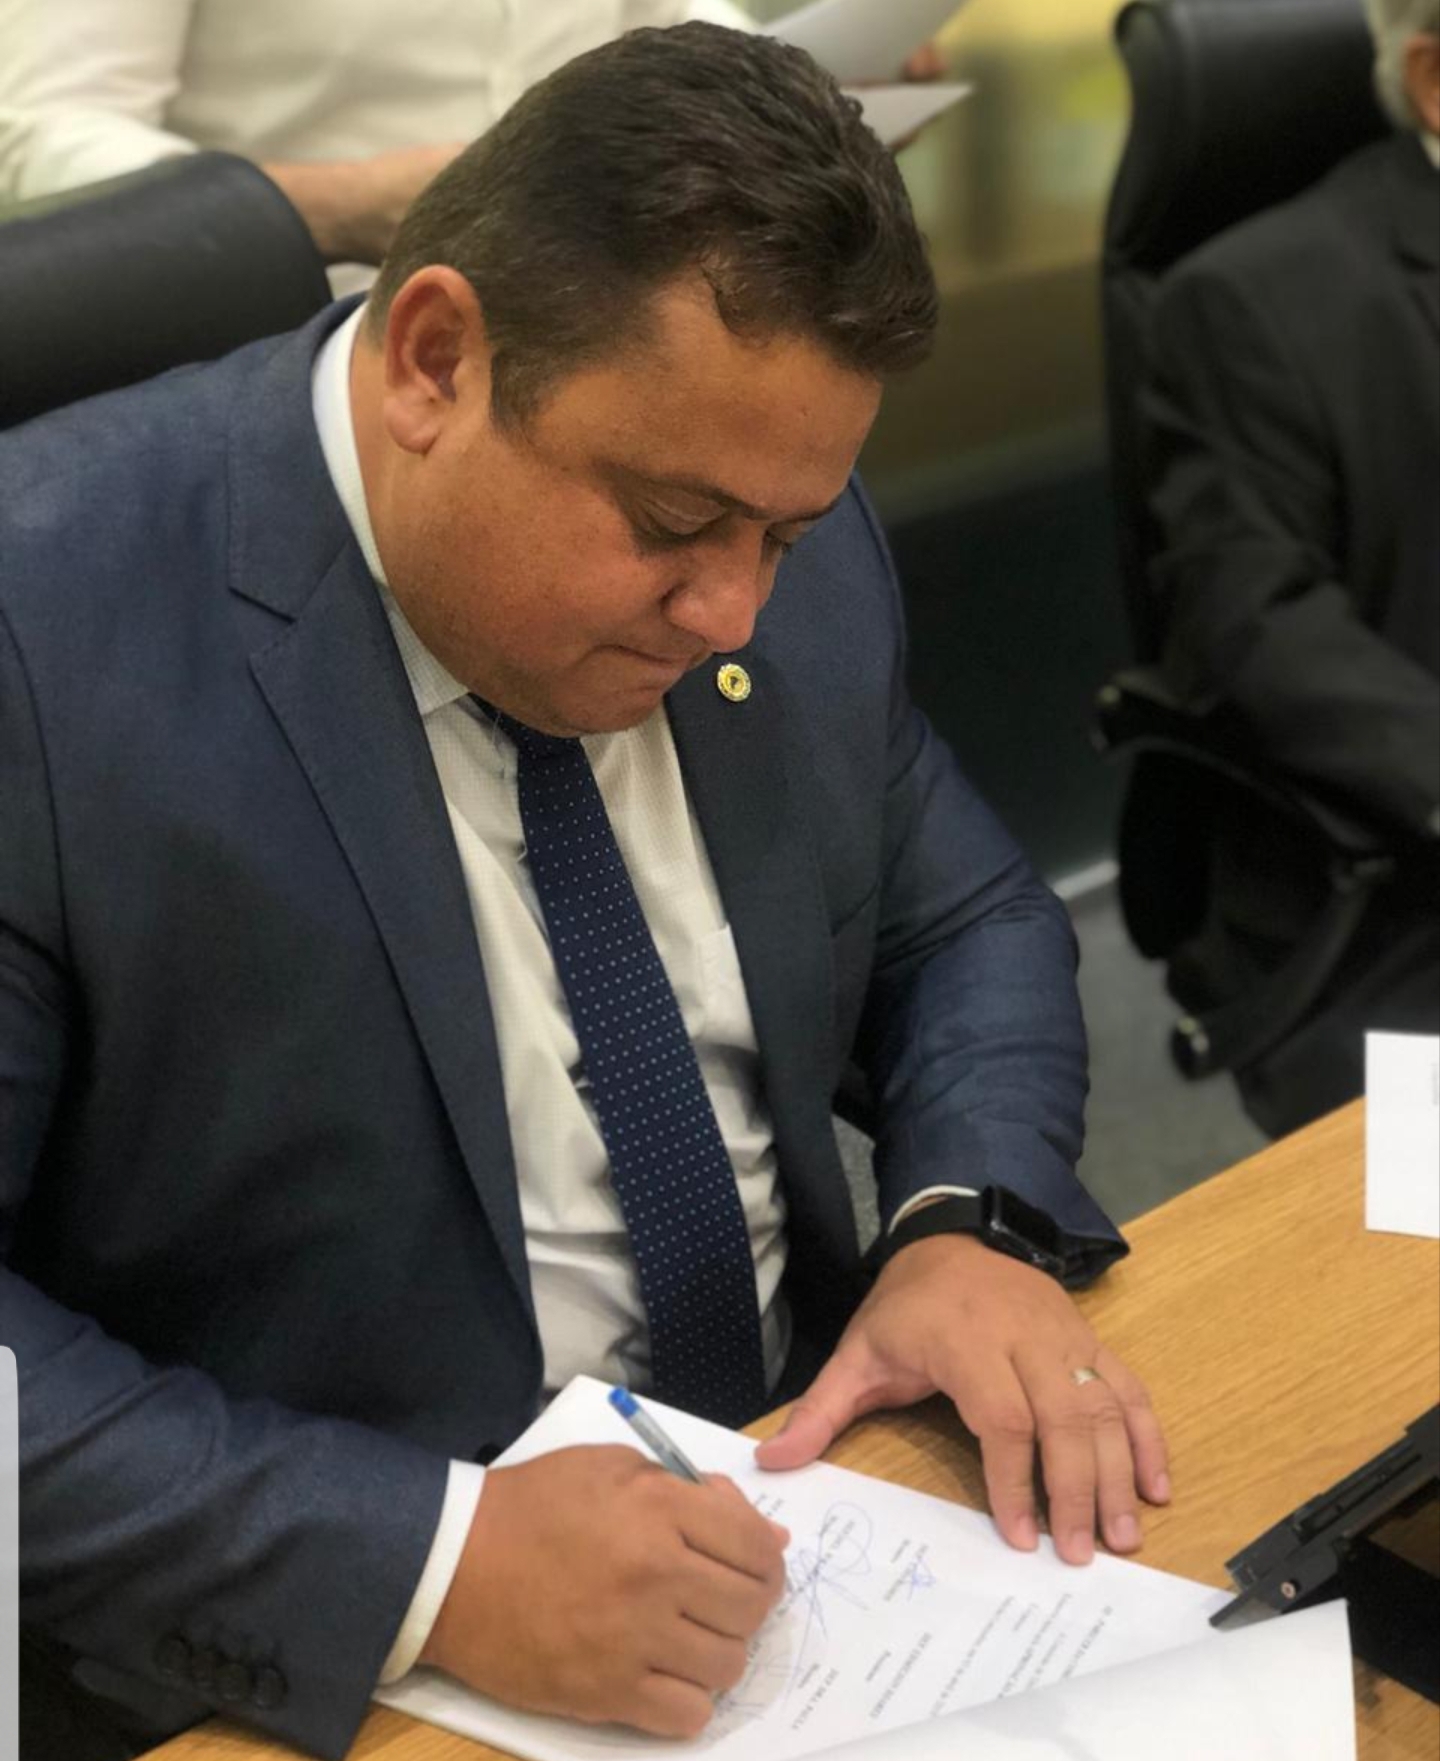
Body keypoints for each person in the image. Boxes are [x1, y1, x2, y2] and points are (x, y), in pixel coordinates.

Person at [0, 24, 1169, 1761]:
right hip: (312, 1641)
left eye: (782, 536)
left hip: (819, 1543)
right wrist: (433, 1565)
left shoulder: (771, 520)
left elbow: (966, 921)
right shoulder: (41, 638)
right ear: (435, 359)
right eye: (674, 524)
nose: (735, 612)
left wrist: (963, 1221)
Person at [1139, 0, 1440, 1136]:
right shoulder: (1253, 301)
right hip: (1395, 899)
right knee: (1409, 1248)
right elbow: (1257, 623)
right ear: (1434, 82)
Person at [0, 0, 752, 276]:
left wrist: (779, 86)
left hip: (592, 319)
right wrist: (337, 210)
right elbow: (41, 133)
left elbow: (664, 20)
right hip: (280, 347)